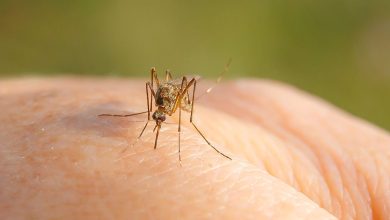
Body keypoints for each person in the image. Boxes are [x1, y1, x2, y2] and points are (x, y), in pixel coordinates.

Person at [0, 78, 388, 219]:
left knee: (182, 105)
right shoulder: (157, 104)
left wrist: (181, 121)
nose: (157, 122)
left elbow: (175, 95)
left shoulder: (176, 103)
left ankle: (190, 131)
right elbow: (157, 93)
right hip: (164, 97)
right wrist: (148, 110)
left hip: (176, 98)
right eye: (157, 116)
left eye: (157, 116)